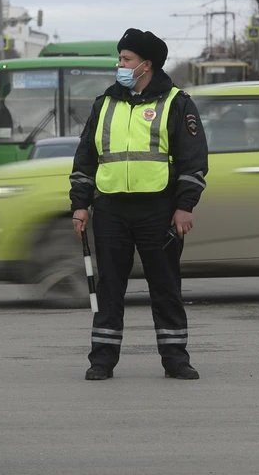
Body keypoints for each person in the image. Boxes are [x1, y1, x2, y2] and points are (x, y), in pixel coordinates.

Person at [69, 28, 209, 382]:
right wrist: (80, 205)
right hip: (112, 211)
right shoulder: (105, 103)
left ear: (146, 65)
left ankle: (176, 358)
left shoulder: (177, 103)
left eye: (126, 59)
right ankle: (102, 359)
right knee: (109, 288)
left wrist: (184, 206)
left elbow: (194, 160)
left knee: (165, 287)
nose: (120, 65)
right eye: (120, 58)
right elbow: (86, 158)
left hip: (159, 211)